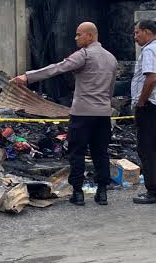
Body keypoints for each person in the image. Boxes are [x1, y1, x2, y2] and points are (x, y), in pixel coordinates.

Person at [11, 22, 117, 206]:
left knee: (77, 152)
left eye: (78, 35)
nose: (75, 38)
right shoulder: (111, 58)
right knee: (101, 153)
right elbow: (111, 88)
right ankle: (102, 193)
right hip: (103, 114)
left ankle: (77, 192)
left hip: (83, 113)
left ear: (90, 36)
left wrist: (28, 77)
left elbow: (58, 68)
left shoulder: (84, 55)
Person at [130, 20, 156, 205]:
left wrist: (140, 102)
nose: (135, 36)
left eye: (137, 32)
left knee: (147, 149)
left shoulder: (149, 51)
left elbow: (151, 78)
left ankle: (154, 192)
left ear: (146, 32)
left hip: (150, 106)